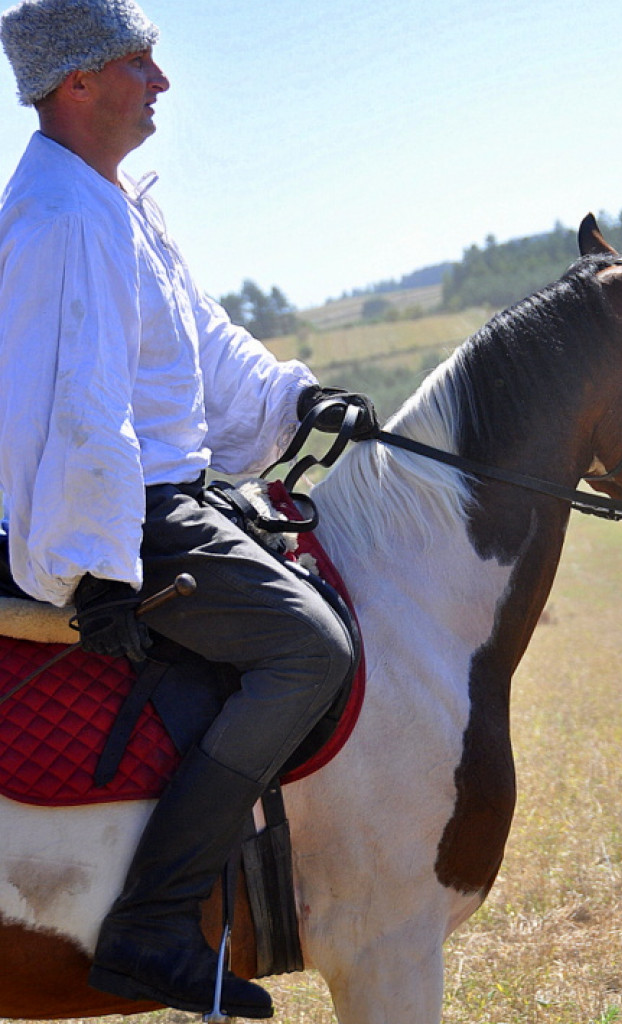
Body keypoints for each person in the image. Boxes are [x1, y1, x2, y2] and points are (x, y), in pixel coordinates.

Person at [0, 0, 378, 1017]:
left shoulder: (112, 199)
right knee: (310, 646)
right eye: (141, 65)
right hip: (140, 516)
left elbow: (204, 349)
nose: (162, 85)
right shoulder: (67, 218)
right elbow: (72, 410)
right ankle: (156, 923)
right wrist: (96, 565)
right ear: (77, 84)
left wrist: (296, 396)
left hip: (162, 496)